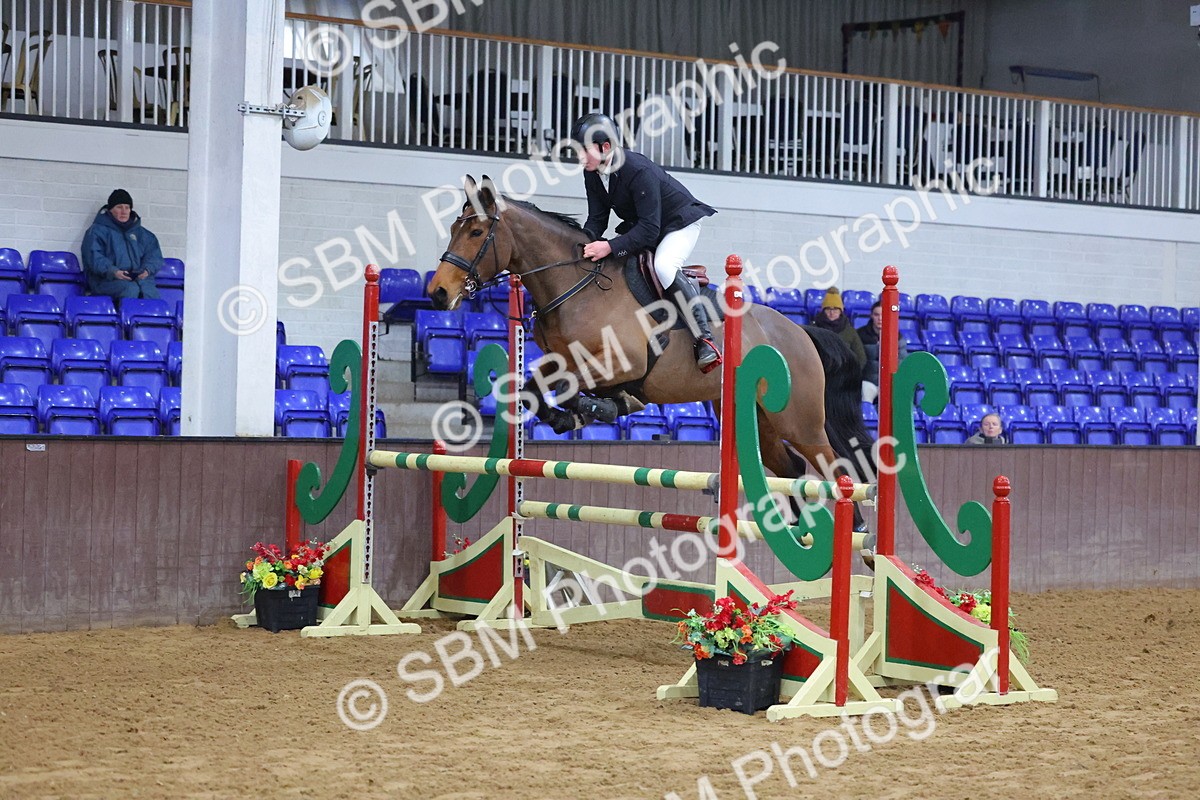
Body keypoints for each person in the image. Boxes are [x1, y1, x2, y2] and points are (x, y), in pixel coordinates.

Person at [569, 113, 721, 372]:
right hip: (648, 225)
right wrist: (581, 244)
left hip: (678, 223)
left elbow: (650, 230)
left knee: (664, 266)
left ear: (606, 147)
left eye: (585, 150)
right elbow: (597, 219)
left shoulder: (637, 169)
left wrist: (610, 246)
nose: (580, 158)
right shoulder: (592, 173)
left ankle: (705, 339)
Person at [82, 188, 163, 300]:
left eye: (127, 207)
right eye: (119, 207)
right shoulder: (96, 232)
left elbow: (154, 257)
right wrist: (113, 272)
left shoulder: (145, 235)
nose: (124, 211)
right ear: (110, 210)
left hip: (140, 281)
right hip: (107, 282)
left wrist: (147, 270)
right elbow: (94, 258)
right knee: (130, 289)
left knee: (151, 294)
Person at [857, 300, 909, 403]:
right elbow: (858, 360)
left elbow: (902, 360)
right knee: (865, 396)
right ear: (871, 316)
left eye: (883, 315)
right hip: (868, 381)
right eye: (876, 315)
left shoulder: (897, 336)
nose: (880, 318)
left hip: (889, 382)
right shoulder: (860, 334)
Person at [812, 287, 866, 371]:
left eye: (835, 309)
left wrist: (850, 372)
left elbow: (861, 358)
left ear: (841, 311)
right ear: (823, 310)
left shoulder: (850, 332)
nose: (832, 312)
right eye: (828, 309)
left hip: (844, 373)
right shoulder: (814, 330)